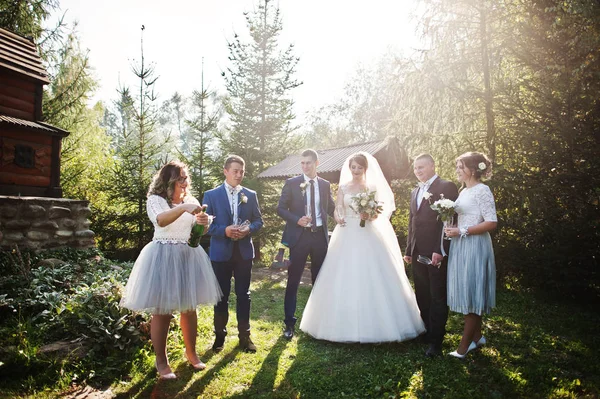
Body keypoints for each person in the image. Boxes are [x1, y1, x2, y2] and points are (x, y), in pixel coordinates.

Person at [299, 152, 425, 343]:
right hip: (346, 231)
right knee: (342, 273)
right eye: (353, 167)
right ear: (349, 169)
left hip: (367, 233)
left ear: (365, 169)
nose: (356, 171)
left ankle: (381, 323)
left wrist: (369, 215)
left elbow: (377, 213)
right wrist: (338, 217)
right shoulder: (342, 187)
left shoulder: (371, 187)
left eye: (359, 167)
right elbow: (337, 208)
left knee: (372, 272)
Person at [120, 161, 222, 380]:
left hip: (188, 256)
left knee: (189, 308)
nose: (185, 182)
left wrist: (204, 222)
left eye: (186, 178)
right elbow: (161, 221)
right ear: (169, 181)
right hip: (163, 256)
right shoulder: (155, 201)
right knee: (162, 311)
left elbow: (198, 229)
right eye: (181, 178)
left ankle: (192, 353)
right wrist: (183, 208)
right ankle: (162, 362)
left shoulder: (191, 200)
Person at [203, 155, 264, 353]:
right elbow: (205, 226)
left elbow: (258, 222)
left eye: (242, 171)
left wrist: (249, 230)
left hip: (244, 253)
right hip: (220, 253)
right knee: (221, 296)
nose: (239, 175)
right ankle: (219, 337)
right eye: (235, 171)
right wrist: (224, 231)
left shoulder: (250, 194)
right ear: (225, 171)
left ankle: (245, 337)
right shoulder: (211, 195)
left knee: (243, 295)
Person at [404, 154, 459, 357]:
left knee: (437, 296)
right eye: (416, 168)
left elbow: (450, 220)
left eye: (422, 167)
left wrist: (440, 249)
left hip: (436, 252)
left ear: (433, 166)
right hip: (418, 251)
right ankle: (427, 332)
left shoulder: (446, 186)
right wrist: (409, 250)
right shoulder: (415, 191)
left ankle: (436, 341)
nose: (418, 171)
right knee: (422, 294)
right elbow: (412, 222)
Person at [276, 149, 335, 340]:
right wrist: (296, 219)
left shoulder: (325, 185)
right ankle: (289, 324)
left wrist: (350, 213)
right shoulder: (292, 183)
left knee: (320, 280)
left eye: (308, 163)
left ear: (317, 163)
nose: (305, 166)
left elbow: (332, 208)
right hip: (299, 238)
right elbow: (280, 208)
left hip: (319, 238)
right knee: (293, 281)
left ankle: (319, 323)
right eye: (302, 163)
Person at [443, 152, 497, 358]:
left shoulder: (482, 190)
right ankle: (477, 337)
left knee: (472, 292)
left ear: (473, 169)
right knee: (467, 289)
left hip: (474, 245)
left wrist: (462, 231)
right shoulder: (463, 191)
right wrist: (452, 226)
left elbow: (491, 222)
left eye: (461, 166)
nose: (457, 169)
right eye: (457, 165)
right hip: (461, 245)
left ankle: (463, 348)